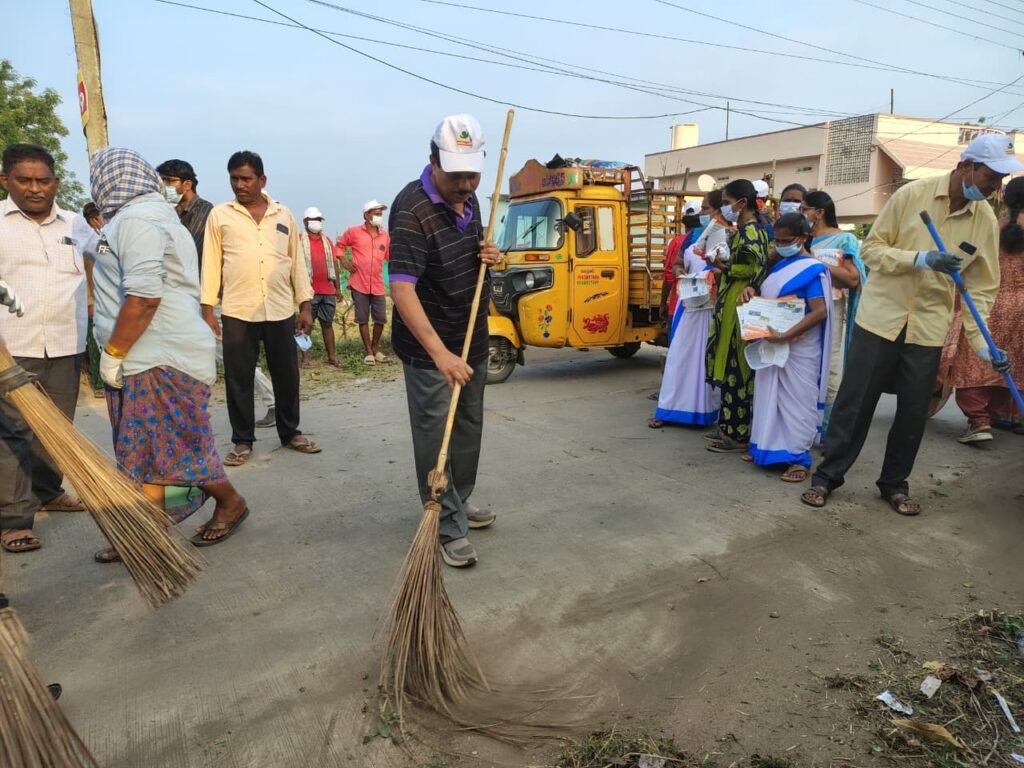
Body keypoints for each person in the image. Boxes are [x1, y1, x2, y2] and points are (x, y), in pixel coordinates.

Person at [802, 133, 1019, 515]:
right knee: (855, 405)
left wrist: (982, 344)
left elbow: (982, 287)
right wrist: (920, 259)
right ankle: (827, 477)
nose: (995, 186)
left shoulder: (984, 218)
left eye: (1001, 180)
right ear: (967, 167)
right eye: (991, 177)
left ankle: (894, 484)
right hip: (881, 319)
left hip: (928, 327)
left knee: (914, 411)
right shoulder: (911, 197)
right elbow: (871, 250)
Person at [88, 147, 250, 555]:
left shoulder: (139, 221)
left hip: (157, 356)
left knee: (170, 447)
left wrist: (113, 351)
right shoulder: (140, 218)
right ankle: (151, 527)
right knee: (152, 450)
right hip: (148, 355)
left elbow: (143, 296)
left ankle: (225, 504)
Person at [389, 114, 501, 568]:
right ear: (433, 159)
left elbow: (473, 255)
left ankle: (459, 499)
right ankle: (445, 520)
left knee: (468, 433)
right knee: (436, 435)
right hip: (430, 350)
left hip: (471, 336)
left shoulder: (471, 202)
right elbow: (401, 289)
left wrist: (490, 256)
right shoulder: (411, 209)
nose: (464, 184)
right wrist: (441, 355)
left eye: (472, 174)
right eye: (455, 174)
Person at [0, 144, 96, 554]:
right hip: (11, 347)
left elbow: (107, 261)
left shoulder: (76, 225)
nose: (35, 189)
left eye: (43, 181)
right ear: (6, 181)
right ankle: (15, 519)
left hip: (64, 342)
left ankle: (48, 491)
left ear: (56, 182)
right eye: (25, 180)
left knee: (55, 428)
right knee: (12, 433)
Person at [201, 150, 321, 466]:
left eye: (246, 178)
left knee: (287, 374)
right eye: (234, 179)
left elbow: (296, 262)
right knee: (238, 377)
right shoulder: (220, 215)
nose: (239, 185)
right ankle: (242, 441)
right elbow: (211, 263)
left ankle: (290, 432)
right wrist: (207, 308)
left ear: (262, 180)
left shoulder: (283, 214)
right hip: (238, 310)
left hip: (281, 308)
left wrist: (305, 306)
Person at [157, 158, 277, 427]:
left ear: (186, 184)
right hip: (182, 297)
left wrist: (207, 304)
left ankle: (272, 400)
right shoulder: (171, 215)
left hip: (209, 298)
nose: (163, 187)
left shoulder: (208, 213)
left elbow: (201, 258)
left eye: (168, 182)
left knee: (229, 355)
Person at [741, 213, 832, 481]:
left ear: (803, 238)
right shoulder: (778, 265)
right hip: (773, 340)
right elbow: (769, 299)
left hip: (799, 346)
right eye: (777, 241)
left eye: (786, 240)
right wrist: (751, 292)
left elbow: (819, 311)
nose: (780, 245)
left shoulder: (812, 269)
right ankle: (765, 448)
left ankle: (797, 458)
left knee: (796, 400)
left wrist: (787, 335)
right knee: (768, 395)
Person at [946, 176, 1024, 443]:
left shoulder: (992, 228)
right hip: (1022, 311)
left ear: (1005, 197)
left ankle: (979, 421)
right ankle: (1010, 414)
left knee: (977, 360)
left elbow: (970, 266)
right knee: (1015, 363)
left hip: (988, 302)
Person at [705, 179, 770, 453]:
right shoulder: (744, 229)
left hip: (741, 302)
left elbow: (754, 267)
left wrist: (723, 266)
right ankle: (728, 428)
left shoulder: (752, 231)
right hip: (733, 298)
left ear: (742, 203)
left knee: (738, 368)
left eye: (728, 203)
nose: (726, 209)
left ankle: (738, 434)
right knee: (730, 365)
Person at [650, 190, 721, 428]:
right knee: (679, 357)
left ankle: (705, 412)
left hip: (712, 307)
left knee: (705, 360)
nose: (701, 213)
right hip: (687, 305)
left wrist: (712, 277)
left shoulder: (730, 236)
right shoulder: (693, 237)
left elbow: (733, 270)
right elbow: (678, 263)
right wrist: (681, 272)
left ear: (719, 210)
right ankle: (670, 409)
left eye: (707, 208)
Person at [803, 190, 865, 440]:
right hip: (798, 311)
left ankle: (828, 429)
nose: (801, 213)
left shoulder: (844, 240)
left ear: (819, 212)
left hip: (830, 312)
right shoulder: (799, 237)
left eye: (804, 209)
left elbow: (852, 278)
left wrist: (816, 263)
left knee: (829, 367)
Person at [337, 200, 392, 365]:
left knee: (380, 318)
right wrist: (344, 262)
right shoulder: (353, 232)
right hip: (358, 282)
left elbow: (390, 256)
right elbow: (339, 246)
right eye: (375, 213)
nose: (378, 217)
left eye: (380, 214)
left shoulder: (385, 236)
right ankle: (368, 351)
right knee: (362, 318)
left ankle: (376, 348)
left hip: (377, 284)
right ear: (366, 215)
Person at [299, 206, 342, 368]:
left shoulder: (327, 241)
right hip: (309, 291)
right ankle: (305, 359)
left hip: (328, 290)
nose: (317, 223)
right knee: (306, 325)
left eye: (319, 220)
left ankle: (332, 356)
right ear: (305, 221)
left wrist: (338, 288)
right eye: (314, 220)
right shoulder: (299, 240)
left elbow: (335, 265)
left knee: (327, 324)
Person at [659, 199, 703, 323]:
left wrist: (663, 303)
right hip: (703, 306)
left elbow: (669, 276)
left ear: (685, 222)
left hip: (679, 305)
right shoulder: (712, 240)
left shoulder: (677, 242)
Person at [81, 201, 105, 398]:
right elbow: (86, 276)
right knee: (94, 342)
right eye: (102, 217)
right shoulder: (87, 242)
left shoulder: (101, 239)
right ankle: (98, 383)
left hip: (107, 299)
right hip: (94, 299)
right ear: (94, 219)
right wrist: (89, 301)